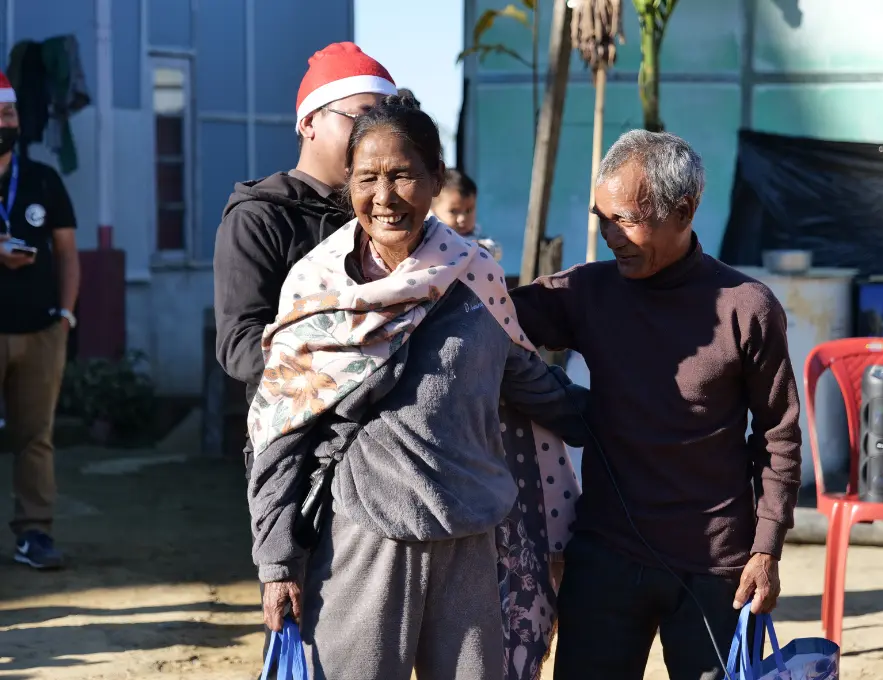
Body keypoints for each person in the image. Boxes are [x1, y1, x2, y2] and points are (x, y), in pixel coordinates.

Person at [248, 96, 588, 680]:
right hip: (363, 541)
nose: (384, 197)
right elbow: (280, 434)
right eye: (367, 178)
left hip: (469, 544)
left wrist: (638, 419)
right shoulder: (318, 287)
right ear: (348, 184)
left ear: (434, 179)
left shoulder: (474, 277)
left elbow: (529, 381)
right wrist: (277, 562)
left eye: (403, 175)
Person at [511, 129, 802, 680]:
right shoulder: (585, 292)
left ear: (685, 210)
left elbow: (777, 436)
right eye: (602, 218)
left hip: (717, 568)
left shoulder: (747, 308)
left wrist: (766, 549)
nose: (609, 237)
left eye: (625, 220)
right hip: (604, 557)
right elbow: (491, 322)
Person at [212, 42, 397, 673]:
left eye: (387, 119)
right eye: (361, 117)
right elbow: (241, 347)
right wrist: (351, 374)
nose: (376, 137)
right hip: (303, 461)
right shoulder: (261, 217)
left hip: (396, 459)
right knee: (311, 632)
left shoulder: (388, 213)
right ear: (309, 122)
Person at [0, 70, 80, 570]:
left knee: (35, 436)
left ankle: (35, 533)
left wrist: (66, 316)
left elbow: (69, 253)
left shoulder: (42, 179)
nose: (3, 123)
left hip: (40, 331)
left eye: (7, 114)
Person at [431, 168, 502, 261]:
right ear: (433, 210)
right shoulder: (432, 237)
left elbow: (496, 250)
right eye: (453, 211)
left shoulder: (478, 239)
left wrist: (483, 249)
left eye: (469, 210)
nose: (462, 218)